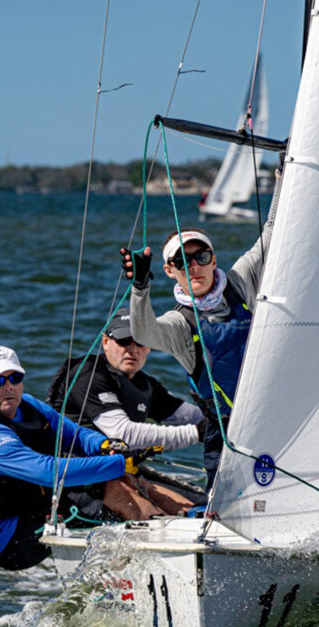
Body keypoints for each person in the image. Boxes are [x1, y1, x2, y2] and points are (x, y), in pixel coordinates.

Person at [121, 171, 281, 489]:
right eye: (183, 261)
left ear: (213, 259)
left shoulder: (239, 281)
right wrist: (140, 288)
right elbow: (143, 333)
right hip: (226, 434)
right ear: (169, 271)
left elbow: (274, 232)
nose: (194, 266)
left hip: (275, 414)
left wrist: (282, 176)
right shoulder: (181, 324)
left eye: (201, 257)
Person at [0, 345, 153, 571]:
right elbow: (49, 472)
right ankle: (148, 566)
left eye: (15, 378)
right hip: (6, 541)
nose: (8, 387)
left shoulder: (26, 404)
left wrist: (104, 444)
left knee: (130, 481)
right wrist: (119, 463)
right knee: (115, 490)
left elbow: (73, 435)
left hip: (27, 501)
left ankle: (170, 524)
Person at [47, 310, 208, 514]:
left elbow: (197, 417)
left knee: (202, 508)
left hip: (123, 470)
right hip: (79, 477)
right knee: (151, 516)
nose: (132, 349)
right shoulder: (88, 375)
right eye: (124, 341)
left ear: (149, 346)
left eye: (140, 341)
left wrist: (227, 421)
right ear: (106, 342)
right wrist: (197, 433)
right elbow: (123, 434)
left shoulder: (145, 384)